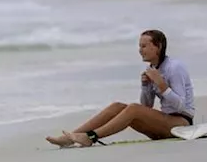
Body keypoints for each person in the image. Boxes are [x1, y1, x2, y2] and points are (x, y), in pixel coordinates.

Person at [46, 29, 195, 148]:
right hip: (163, 124)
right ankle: (68, 138)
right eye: (139, 46)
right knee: (117, 106)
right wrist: (145, 86)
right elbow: (146, 107)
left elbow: (181, 106)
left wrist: (162, 85)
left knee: (133, 108)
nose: (140, 50)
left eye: (144, 46)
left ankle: (90, 137)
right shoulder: (152, 69)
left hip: (181, 124)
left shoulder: (175, 67)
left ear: (158, 47)